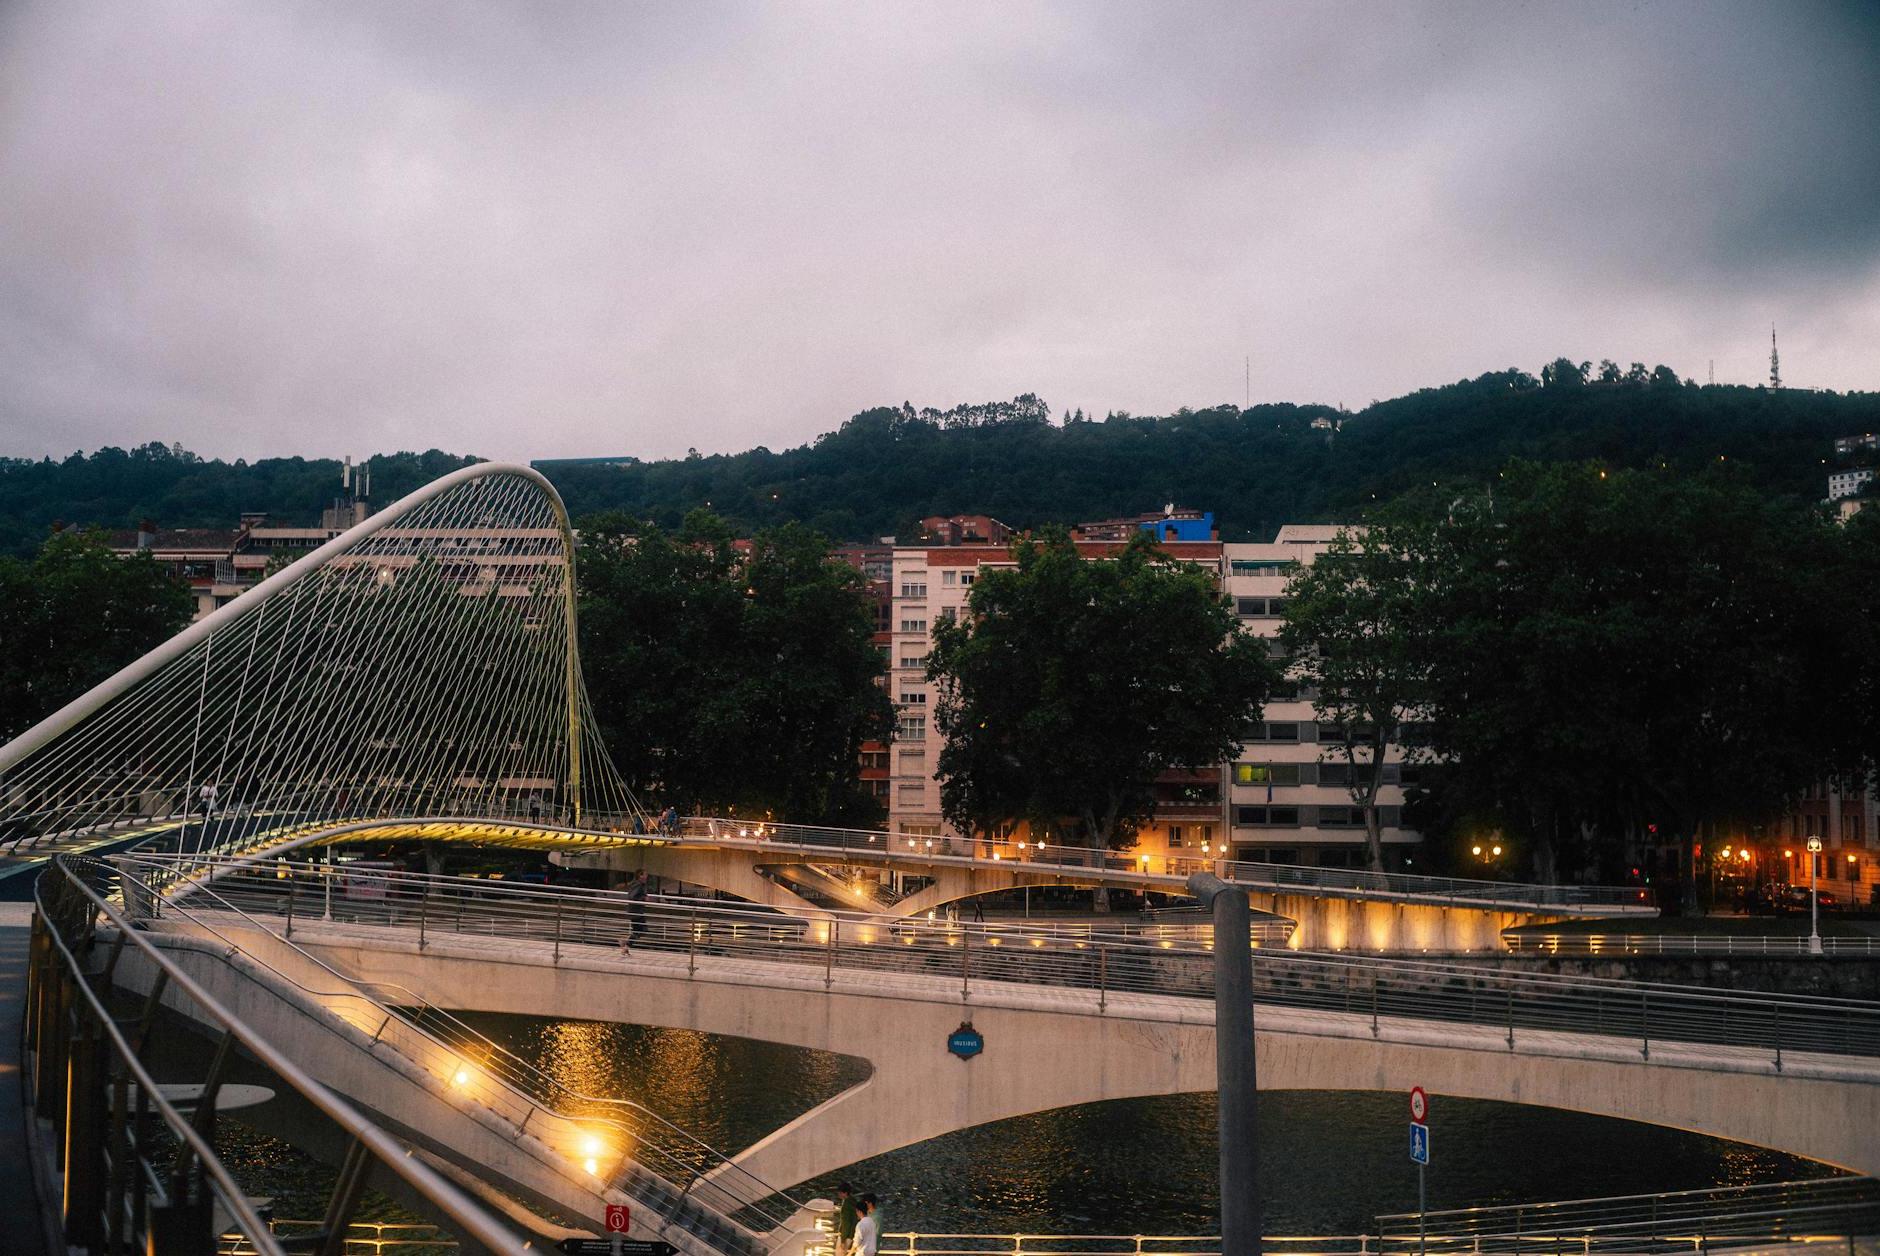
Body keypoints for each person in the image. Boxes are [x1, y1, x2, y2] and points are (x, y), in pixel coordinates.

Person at [620, 870, 649, 952]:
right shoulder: (638, 885)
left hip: (636, 911)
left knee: (640, 930)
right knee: (642, 930)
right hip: (636, 911)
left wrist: (644, 896)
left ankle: (625, 943)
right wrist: (644, 898)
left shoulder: (639, 884)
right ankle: (626, 945)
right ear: (640, 876)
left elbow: (637, 894)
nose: (647, 876)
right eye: (645, 874)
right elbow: (632, 896)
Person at [832, 1182, 858, 1256]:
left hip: (846, 1235)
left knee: (839, 1253)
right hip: (851, 1233)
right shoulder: (853, 1201)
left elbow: (846, 1222)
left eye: (840, 1192)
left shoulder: (846, 1204)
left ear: (845, 1193)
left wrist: (843, 1240)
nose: (838, 1194)